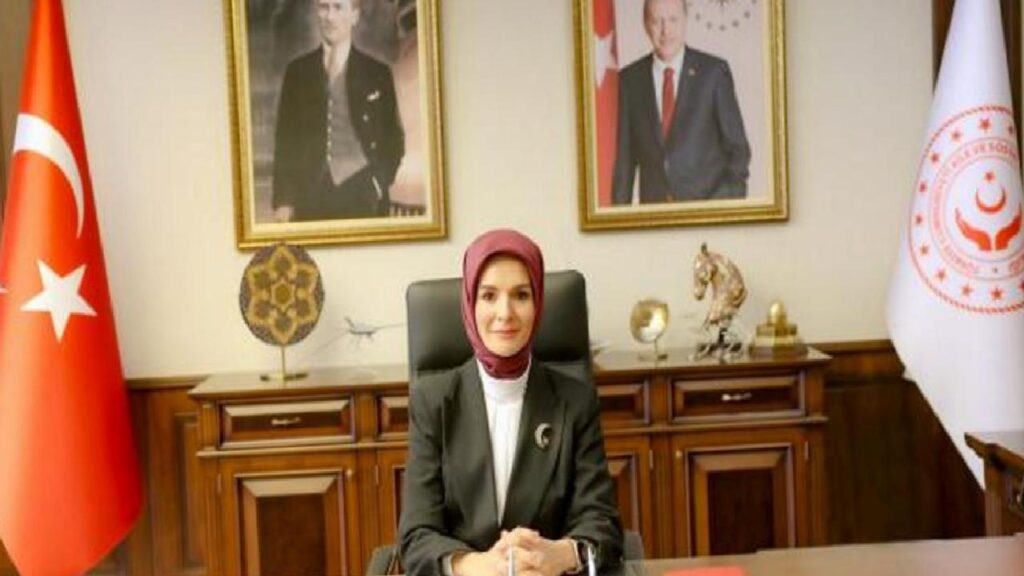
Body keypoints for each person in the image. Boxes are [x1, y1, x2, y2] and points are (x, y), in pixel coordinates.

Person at [399, 229, 623, 576]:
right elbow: (416, 537)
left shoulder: (574, 400)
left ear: (538, 303)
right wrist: (479, 565)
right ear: (470, 303)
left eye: (521, 295)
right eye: (489, 296)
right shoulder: (434, 402)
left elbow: (602, 524)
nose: (505, 313)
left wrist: (559, 555)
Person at [272, 0, 404, 222]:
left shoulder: (377, 73)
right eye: (323, 7)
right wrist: (283, 201)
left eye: (338, 7)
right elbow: (285, 142)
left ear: (355, 15)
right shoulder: (297, 72)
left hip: (362, 194)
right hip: (309, 196)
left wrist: (378, 183)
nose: (329, 16)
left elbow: (393, 140)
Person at [612, 0, 751, 204]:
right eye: (657, 21)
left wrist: (717, 208)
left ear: (685, 20)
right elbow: (624, 166)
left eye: (673, 20)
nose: (665, 30)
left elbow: (738, 153)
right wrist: (618, 219)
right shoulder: (629, 81)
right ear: (645, 24)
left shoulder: (713, 74)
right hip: (654, 216)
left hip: (708, 213)